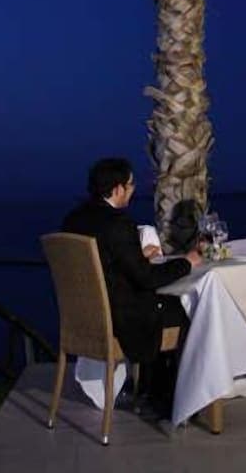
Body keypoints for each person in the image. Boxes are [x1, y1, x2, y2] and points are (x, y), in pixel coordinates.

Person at [62, 157, 202, 412]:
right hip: (121, 318)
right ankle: (165, 398)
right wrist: (187, 262)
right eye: (130, 184)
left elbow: (105, 261)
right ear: (117, 189)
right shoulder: (117, 222)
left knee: (162, 305)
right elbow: (147, 278)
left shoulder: (73, 220)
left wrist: (137, 256)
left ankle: (148, 391)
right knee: (187, 309)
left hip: (86, 319)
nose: (133, 189)